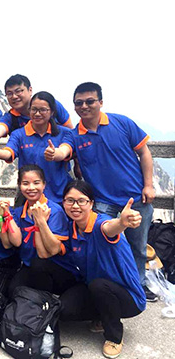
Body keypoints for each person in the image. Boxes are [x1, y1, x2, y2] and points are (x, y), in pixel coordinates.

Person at [45, 82, 156, 300]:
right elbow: (64, 151)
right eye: (79, 103)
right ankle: (106, 287)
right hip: (102, 201)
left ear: (100, 102)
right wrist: (55, 154)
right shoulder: (75, 135)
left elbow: (144, 153)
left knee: (137, 246)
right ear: (74, 106)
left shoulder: (122, 123)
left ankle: (138, 284)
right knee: (101, 246)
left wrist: (149, 184)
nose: (84, 106)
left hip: (136, 197)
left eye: (90, 101)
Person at [59, 180, 145, 359]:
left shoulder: (100, 224)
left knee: (99, 286)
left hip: (128, 297)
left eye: (81, 201)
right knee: (65, 309)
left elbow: (110, 228)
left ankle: (114, 336)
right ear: (63, 203)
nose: (75, 206)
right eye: (70, 201)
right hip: (97, 289)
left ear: (91, 203)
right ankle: (101, 316)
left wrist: (122, 222)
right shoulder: (73, 228)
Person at [0, 92, 72, 202]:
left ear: (51, 112)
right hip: (29, 195)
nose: (37, 114)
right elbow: (8, 153)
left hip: (59, 195)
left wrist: (55, 154)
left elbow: (64, 151)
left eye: (42, 110)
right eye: (34, 109)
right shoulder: (19, 134)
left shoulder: (64, 133)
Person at [8, 165, 78, 297]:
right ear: (19, 185)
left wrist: (40, 222)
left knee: (39, 265)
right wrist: (5, 216)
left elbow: (51, 251)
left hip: (58, 268)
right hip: (30, 267)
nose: (31, 188)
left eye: (36, 183)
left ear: (44, 185)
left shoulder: (55, 211)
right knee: (13, 291)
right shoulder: (18, 213)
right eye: (25, 183)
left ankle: (45, 302)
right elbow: (13, 243)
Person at [0, 74, 73, 152]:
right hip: (30, 174)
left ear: (30, 90)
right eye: (9, 93)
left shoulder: (51, 104)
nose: (14, 96)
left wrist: (76, 162)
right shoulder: (11, 117)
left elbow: (71, 132)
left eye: (19, 91)